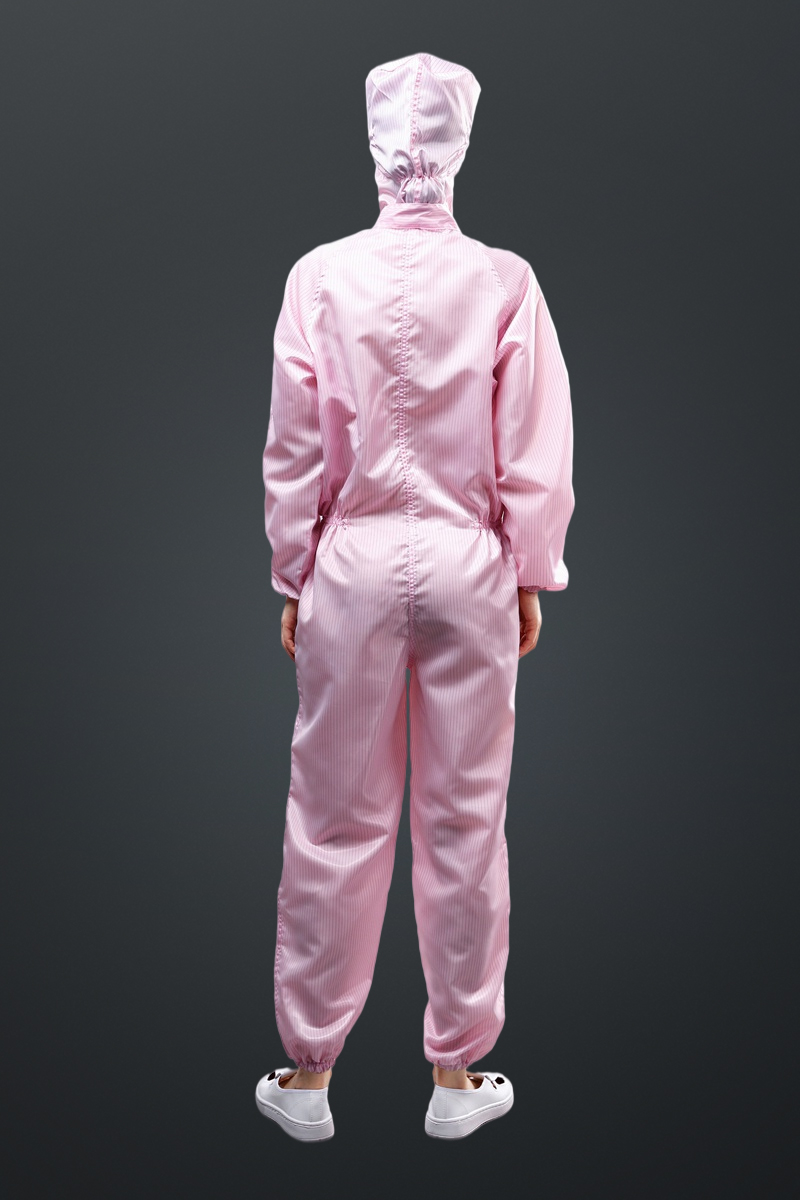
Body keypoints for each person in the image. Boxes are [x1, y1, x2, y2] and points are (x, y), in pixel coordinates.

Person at [255, 51, 575, 1141]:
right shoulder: (504, 281)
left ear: (373, 146)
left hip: (348, 565)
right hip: (467, 562)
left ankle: (307, 1078)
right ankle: (454, 1077)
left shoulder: (317, 277)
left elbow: (294, 446)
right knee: (463, 819)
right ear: (460, 148)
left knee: (333, 816)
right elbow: (533, 444)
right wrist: (530, 567)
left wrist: (293, 568)